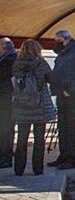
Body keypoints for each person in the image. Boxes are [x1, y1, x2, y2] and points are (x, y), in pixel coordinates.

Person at [12, 39, 56, 176]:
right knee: (39, 140)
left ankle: (19, 169)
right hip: (39, 106)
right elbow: (51, 79)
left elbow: (13, 82)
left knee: (21, 139)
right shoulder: (41, 64)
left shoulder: (17, 64)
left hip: (22, 106)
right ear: (38, 49)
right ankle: (38, 169)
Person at [48, 30, 75, 170]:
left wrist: (70, 91)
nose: (57, 43)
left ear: (66, 39)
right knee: (63, 126)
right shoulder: (63, 54)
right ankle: (63, 155)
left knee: (72, 127)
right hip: (61, 94)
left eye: (58, 40)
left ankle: (72, 158)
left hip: (73, 95)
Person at [0, 37, 17, 169]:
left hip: (6, 98)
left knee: (5, 128)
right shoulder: (9, 58)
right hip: (7, 98)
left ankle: (6, 156)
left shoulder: (9, 60)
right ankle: (5, 154)